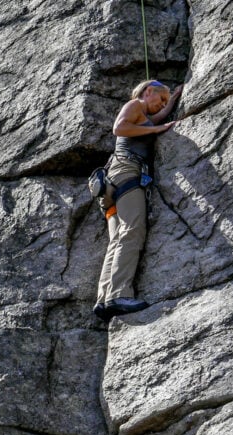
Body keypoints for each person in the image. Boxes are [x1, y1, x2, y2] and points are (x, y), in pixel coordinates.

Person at [94, 79, 182, 321]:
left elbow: (161, 116)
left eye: (165, 101)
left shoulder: (145, 117)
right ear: (148, 91)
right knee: (133, 229)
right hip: (127, 171)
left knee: (117, 239)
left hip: (111, 183)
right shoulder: (135, 105)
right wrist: (155, 130)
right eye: (160, 97)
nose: (162, 104)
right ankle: (120, 294)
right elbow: (119, 128)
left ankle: (104, 298)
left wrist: (173, 99)